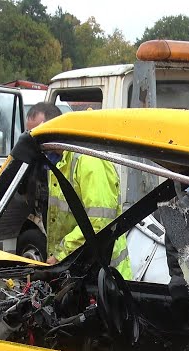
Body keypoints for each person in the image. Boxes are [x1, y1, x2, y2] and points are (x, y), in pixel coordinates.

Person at [24, 102, 129, 277]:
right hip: (78, 270)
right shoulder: (57, 161)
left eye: (39, 135)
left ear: (56, 126)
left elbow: (99, 222)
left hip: (105, 275)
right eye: (31, 135)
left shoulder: (89, 161)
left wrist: (61, 255)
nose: (36, 142)